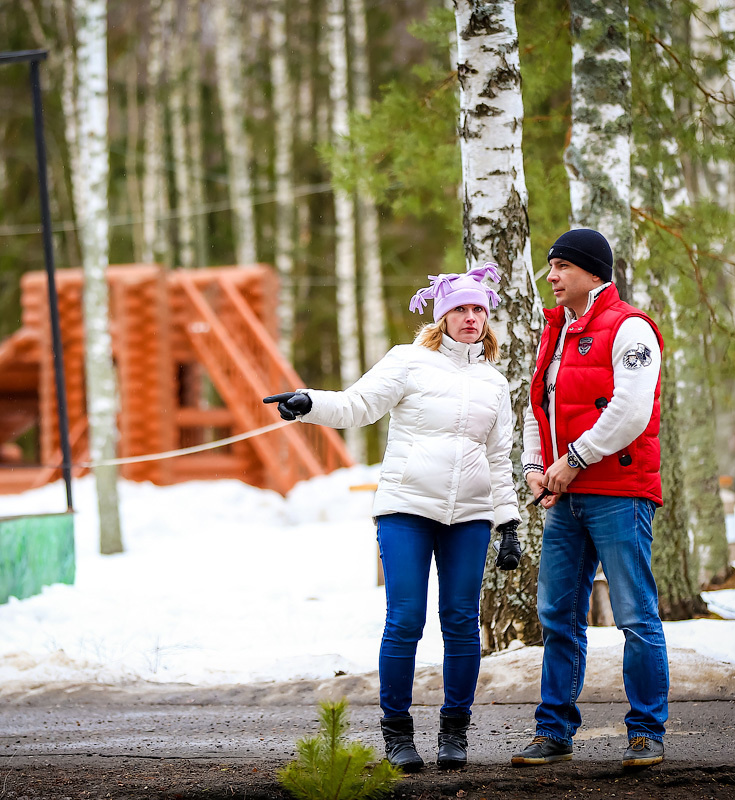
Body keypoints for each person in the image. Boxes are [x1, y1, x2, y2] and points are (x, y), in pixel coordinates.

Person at [264, 265, 522, 773]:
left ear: (486, 320)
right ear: (441, 316)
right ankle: (397, 733)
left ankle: (455, 731)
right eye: (459, 309)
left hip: (469, 516)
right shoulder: (409, 362)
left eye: (477, 310)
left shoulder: (494, 382)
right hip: (406, 509)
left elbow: (500, 459)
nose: (470, 318)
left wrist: (508, 524)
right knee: (405, 620)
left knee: (462, 623)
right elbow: (358, 405)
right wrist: (309, 402)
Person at [510, 228, 669, 770]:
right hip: (565, 495)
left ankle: (646, 732)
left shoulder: (631, 328)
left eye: (561, 267)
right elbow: (540, 409)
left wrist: (571, 460)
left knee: (635, 615)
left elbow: (630, 411)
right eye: (550, 267)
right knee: (558, 615)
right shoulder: (553, 333)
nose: (550, 277)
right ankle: (553, 731)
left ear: (592, 272)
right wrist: (536, 467)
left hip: (619, 492)